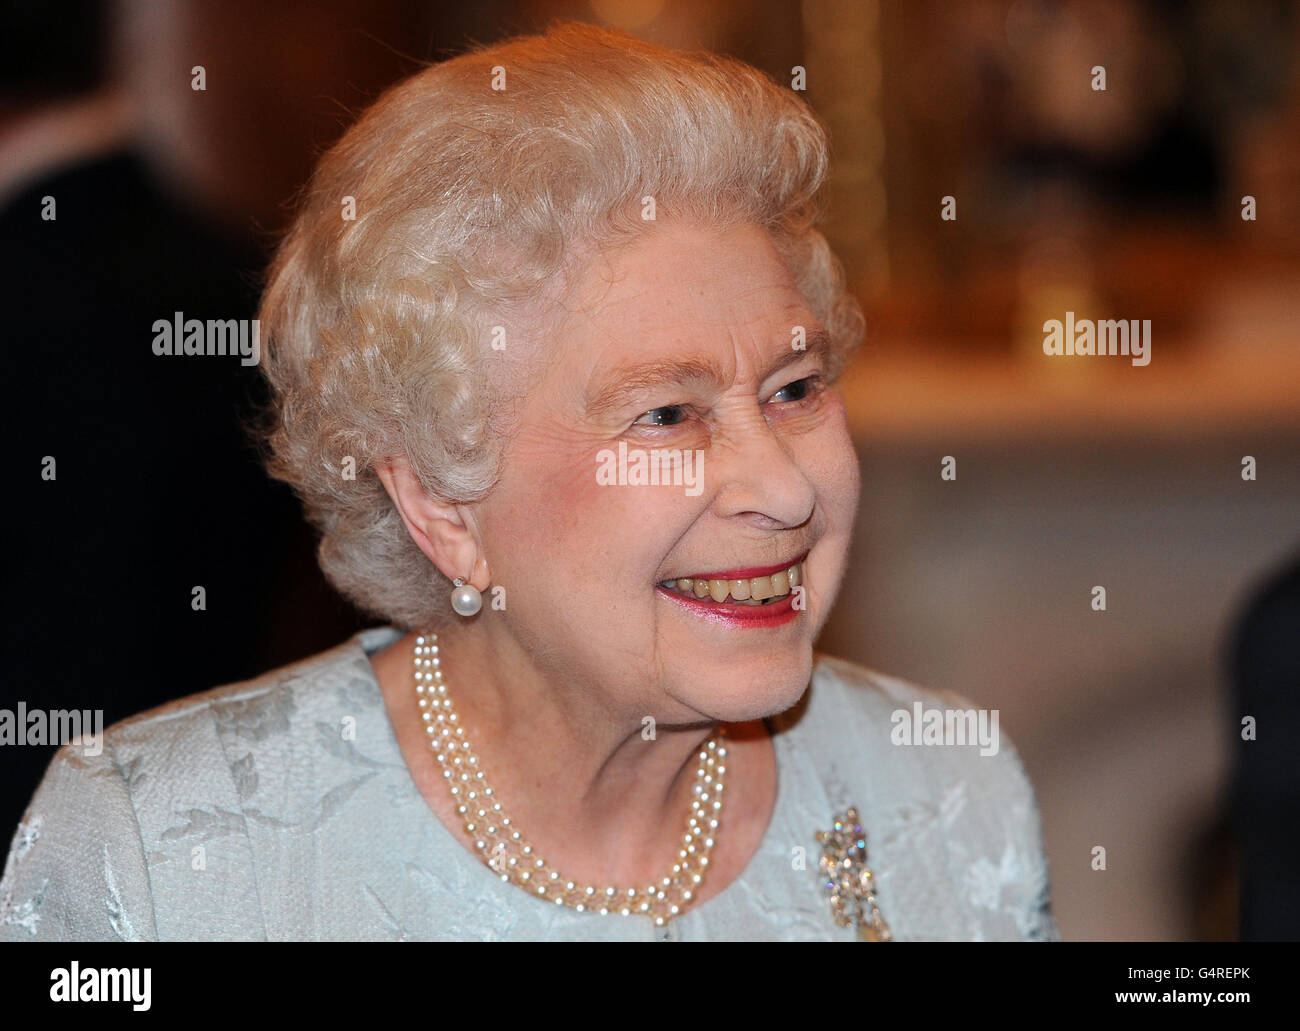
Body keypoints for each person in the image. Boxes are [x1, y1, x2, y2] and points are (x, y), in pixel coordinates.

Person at [0, 22, 1058, 942]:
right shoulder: (162, 852)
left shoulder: (947, 793)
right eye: (667, 412)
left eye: (794, 387)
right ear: (440, 504)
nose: (783, 488)